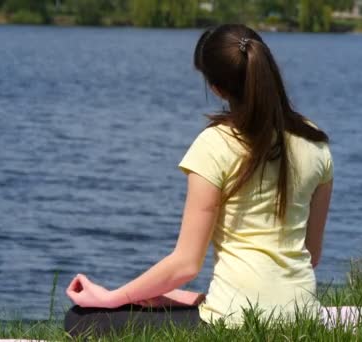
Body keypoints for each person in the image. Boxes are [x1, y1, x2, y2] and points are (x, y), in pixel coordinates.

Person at [64, 23, 336, 337]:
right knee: (159, 303)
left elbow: (185, 265)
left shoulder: (215, 145)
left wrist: (111, 297)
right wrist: (183, 298)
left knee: (81, 318)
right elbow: (311, 255)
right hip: (301, 318)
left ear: (218, 88)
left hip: (234, 323)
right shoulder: (315, 142)